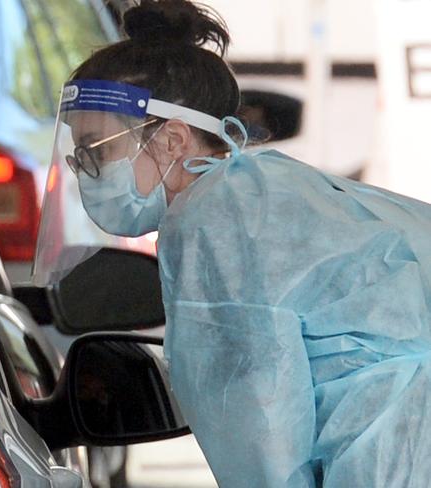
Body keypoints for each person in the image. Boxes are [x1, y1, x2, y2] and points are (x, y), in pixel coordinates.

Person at [32, 1, 431, 486]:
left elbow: (258, 418)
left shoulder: (210, 220)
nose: (84, 171)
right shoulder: (258, 188)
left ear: (172, 140)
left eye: (98, 150)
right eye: (78, 154)